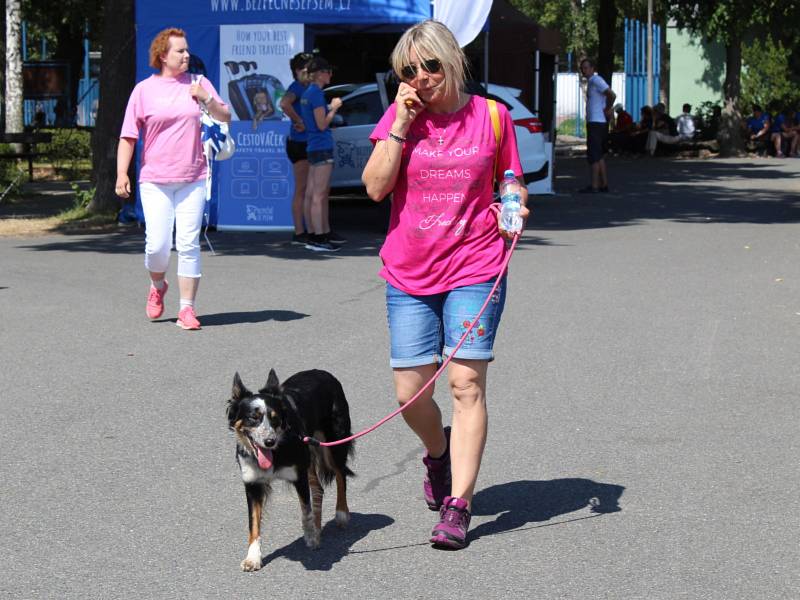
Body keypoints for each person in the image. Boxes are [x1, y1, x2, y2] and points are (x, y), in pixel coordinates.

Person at [361, 19, 530, 549]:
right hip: (409, 270)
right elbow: (373, 188)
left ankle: (459, 505)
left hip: (476, 266)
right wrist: (399, 126)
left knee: (466, 384)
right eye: (409, 71)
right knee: (410, 393)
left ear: (452, 60)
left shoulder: (493, 118)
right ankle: (438, 454)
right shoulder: (400, 118)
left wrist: (515, 202)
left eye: (430, 65)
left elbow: (510, 178)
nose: (422, 77)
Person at [116, 27, 230, 330]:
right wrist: (120, 175)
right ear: (162, 55)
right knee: (157, 246)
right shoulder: (143, 90)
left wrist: (207, 98)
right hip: (154, 179)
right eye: (180, 50)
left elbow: (225, 117)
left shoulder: (198, 83)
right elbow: (128, 136)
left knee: (189, 243)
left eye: (187, 49)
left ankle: (187, 310)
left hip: (193, 177)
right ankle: (158, 284)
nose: (186, 55)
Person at [299, 56, 346, 252]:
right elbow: (321, 124)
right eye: (328, 71)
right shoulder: (316, 94)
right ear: (320, 74)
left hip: (313, 146)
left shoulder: (308, 93)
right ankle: (319, 237)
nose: (330, 75)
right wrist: (334, 108)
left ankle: (316, 233)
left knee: (312, 193)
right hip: (321, 145)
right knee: (318, 194)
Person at [279, 52, 313, 245]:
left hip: (302, 141)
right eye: (308, 69)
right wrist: (298, 121)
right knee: (302, 189)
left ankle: (306, 229)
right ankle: (300, 232)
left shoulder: (305, 88)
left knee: (308, 188)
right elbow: (284, 103)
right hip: (300, 143)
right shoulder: (297, 87)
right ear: (299, 71)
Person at [578, 58, 615, 193]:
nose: (584, 70)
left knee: (594, 155)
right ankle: (603, 184)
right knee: (598, 155)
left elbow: (611, 94)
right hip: (597, 122)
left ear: (593, 68)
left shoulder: (596, 80)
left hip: (596, 122)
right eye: (583, 68)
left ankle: (594, 186)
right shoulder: (592, 82)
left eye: (587, 67)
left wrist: (608, 108)